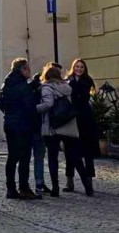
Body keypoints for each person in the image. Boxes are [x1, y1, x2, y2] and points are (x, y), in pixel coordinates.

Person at [36, 63, 93, 197]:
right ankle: (87, 186)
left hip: (53, 126)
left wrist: (35, 108)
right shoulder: (67, 87)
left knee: (53, 157)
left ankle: (55, 187)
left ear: (46, 75)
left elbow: (48, 104)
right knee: (76, 157)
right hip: (69, 125)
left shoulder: (46, 87)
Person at [0, 57, 39, 200]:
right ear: (23, 69)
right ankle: (24, 188)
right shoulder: (23, 86)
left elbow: (1, 105)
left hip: (9, 123)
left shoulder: (6, 84)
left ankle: (11, 188)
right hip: (23, 125)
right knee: (24, 158)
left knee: (12, 157)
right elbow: (30, 107)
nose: (29, 71)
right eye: (28, 68)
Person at [65, 57, 99, 192]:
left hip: (85, 119)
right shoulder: (69, 80)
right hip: (72, 119)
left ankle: (89, 181)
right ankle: (69, 181)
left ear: (85, 70)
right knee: (70, 152)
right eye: (77, 67)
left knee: (88, 152)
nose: (79, 69)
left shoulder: (86, 81)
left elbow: (81, 97)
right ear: (73, 68)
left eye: (81, 67)